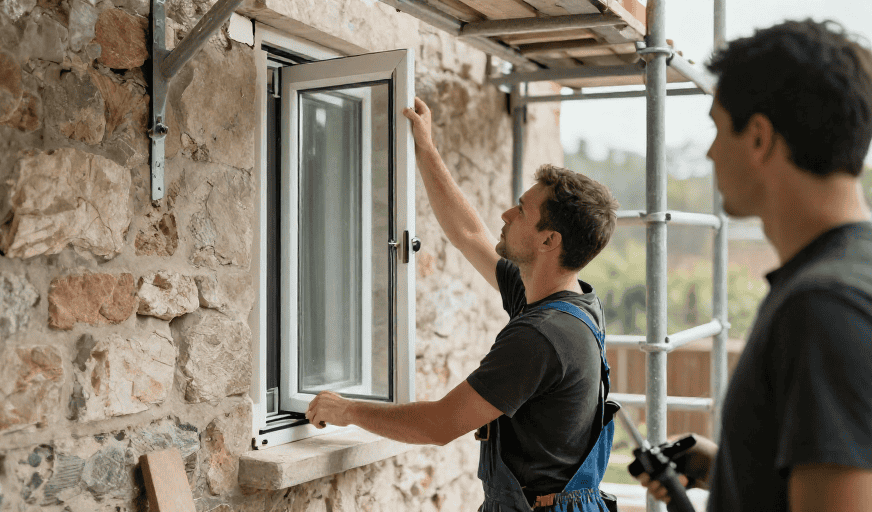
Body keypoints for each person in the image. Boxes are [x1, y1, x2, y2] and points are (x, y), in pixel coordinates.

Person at [307, 96, 621, 511]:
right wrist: (426, 147)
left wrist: (346, 409)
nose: (506, 213)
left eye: (522, 210)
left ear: (549, 240)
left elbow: (438, 425)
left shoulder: (542, 337)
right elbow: (469, 234)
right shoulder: (569, 300)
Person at [636, 19, 872, 512]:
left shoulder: (823, 305)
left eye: (719, 129)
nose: (710, 151)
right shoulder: (850, 277)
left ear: (759, 137)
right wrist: (733, 473)